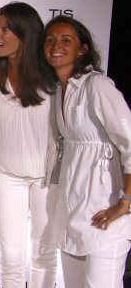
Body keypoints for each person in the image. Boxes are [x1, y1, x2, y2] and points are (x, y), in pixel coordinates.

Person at [44, 15, 131, 287]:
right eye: (50, 40)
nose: (56, 45)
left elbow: (130, 143)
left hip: (104, 213)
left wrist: (125, 203)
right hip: (70, 214)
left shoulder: (97, 85)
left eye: (66, 40)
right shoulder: (58, 91)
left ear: (82, 49)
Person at [0, 2, 58, 288]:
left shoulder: (53, 74)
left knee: (44, 254)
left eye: (5, 30)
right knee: (10, 256)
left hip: (47, 179)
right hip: (8, 175)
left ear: (25, 34)